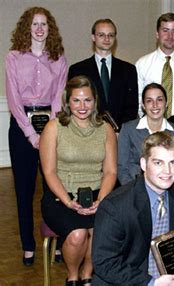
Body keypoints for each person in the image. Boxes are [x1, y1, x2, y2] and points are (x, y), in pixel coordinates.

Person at [93, 132, 174, 286]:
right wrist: (151, 283)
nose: (167, 171)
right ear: (143, 164)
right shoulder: (115, 207)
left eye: (173, 162)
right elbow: (104, 262)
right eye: (158, 163)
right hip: (127, 281)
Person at [40, 76, 117, 285]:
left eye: (87, 100)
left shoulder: (106, 129)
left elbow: (110, 172)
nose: (82, 106)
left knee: (101, 232)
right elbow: (49, 172)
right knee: (78, 234)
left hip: (97, 192)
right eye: (76, 100)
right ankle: (72, 275)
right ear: (68, 101)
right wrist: (68, 201)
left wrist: (101, 200)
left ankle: (87, 273)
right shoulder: (54, 128)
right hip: (61, 194)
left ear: (95, 102)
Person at [5, 6, 67, 266]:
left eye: (44, 24)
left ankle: (55, 241)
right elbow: (13, 98)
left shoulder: (59, 57)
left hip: (51, 126)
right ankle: (28, 245)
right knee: (24, 188)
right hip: (21, 129)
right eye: (35, 24)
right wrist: (31, 134)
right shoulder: (13, 57)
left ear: (49, 28)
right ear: (26, 28)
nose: (40, 29)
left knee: (53, 188)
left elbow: (58, 98)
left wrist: (49, 131)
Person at [68, 18, 138, 130]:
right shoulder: (77, 70)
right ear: (93, 37)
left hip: (119, 133)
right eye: (101, 35)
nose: (106, 39)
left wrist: (121, 131)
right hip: (86, 132)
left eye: (111, 35)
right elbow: (72, 105)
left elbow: (132, 107)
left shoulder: (128, 69)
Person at [135, 12, 174, 137]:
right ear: (157, 34)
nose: (170, 36)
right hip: (150, 126)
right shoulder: (142, 64)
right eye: (165, 30)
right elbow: (138, 99)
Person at [118, 83, 174, 185]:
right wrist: (135, 192)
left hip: (166, 187)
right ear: (143, 105)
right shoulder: (128, 129)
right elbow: (122, 168)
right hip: (133, 188)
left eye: (159, 100)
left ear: (166, 103)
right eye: (149, 101)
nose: (155, 105)